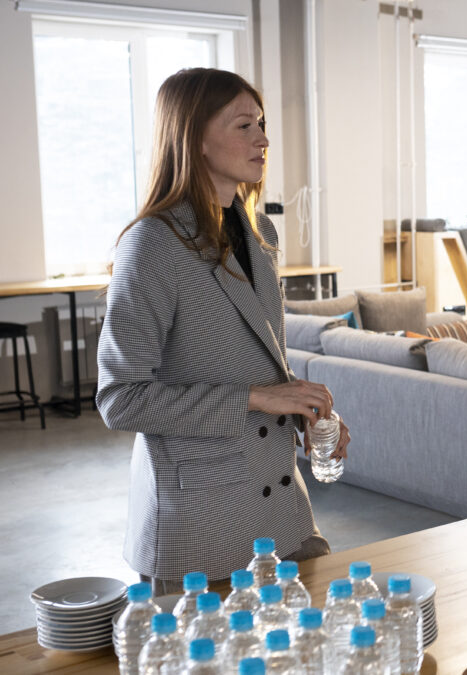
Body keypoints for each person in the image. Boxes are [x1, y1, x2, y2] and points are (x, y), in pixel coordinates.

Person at [96, 68, 350, 592]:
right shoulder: (153, 243)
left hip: (284, 514)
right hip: (201, 524)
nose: (263, 139)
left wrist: (304, 410)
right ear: (194, 140)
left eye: (261, 123)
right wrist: (257, 399)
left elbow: (259, 355)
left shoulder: (261, 232)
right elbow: (119, 399)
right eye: (243, 126)